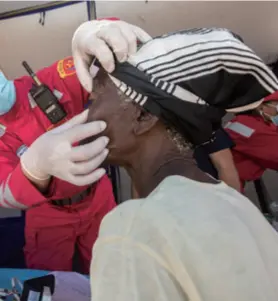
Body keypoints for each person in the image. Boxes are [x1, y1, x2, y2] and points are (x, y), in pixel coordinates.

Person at [76, 27, 278, 300]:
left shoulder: (131, 229)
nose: (87, 116)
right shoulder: (236, 204)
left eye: (95, 98)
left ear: (143, 116)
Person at [0, 18, 149, 272]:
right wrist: (34, 168)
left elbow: (101, 59)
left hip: (97, 197)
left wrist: (95, 31)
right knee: (51, 284)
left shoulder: (50, 81)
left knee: (111, 270)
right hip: (48, 214)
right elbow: (6, 195)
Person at [225, 90, 278, 191]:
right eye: (277, 106)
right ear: (261, 106)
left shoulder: (244, 121)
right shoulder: (254, 130)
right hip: (226, 185)